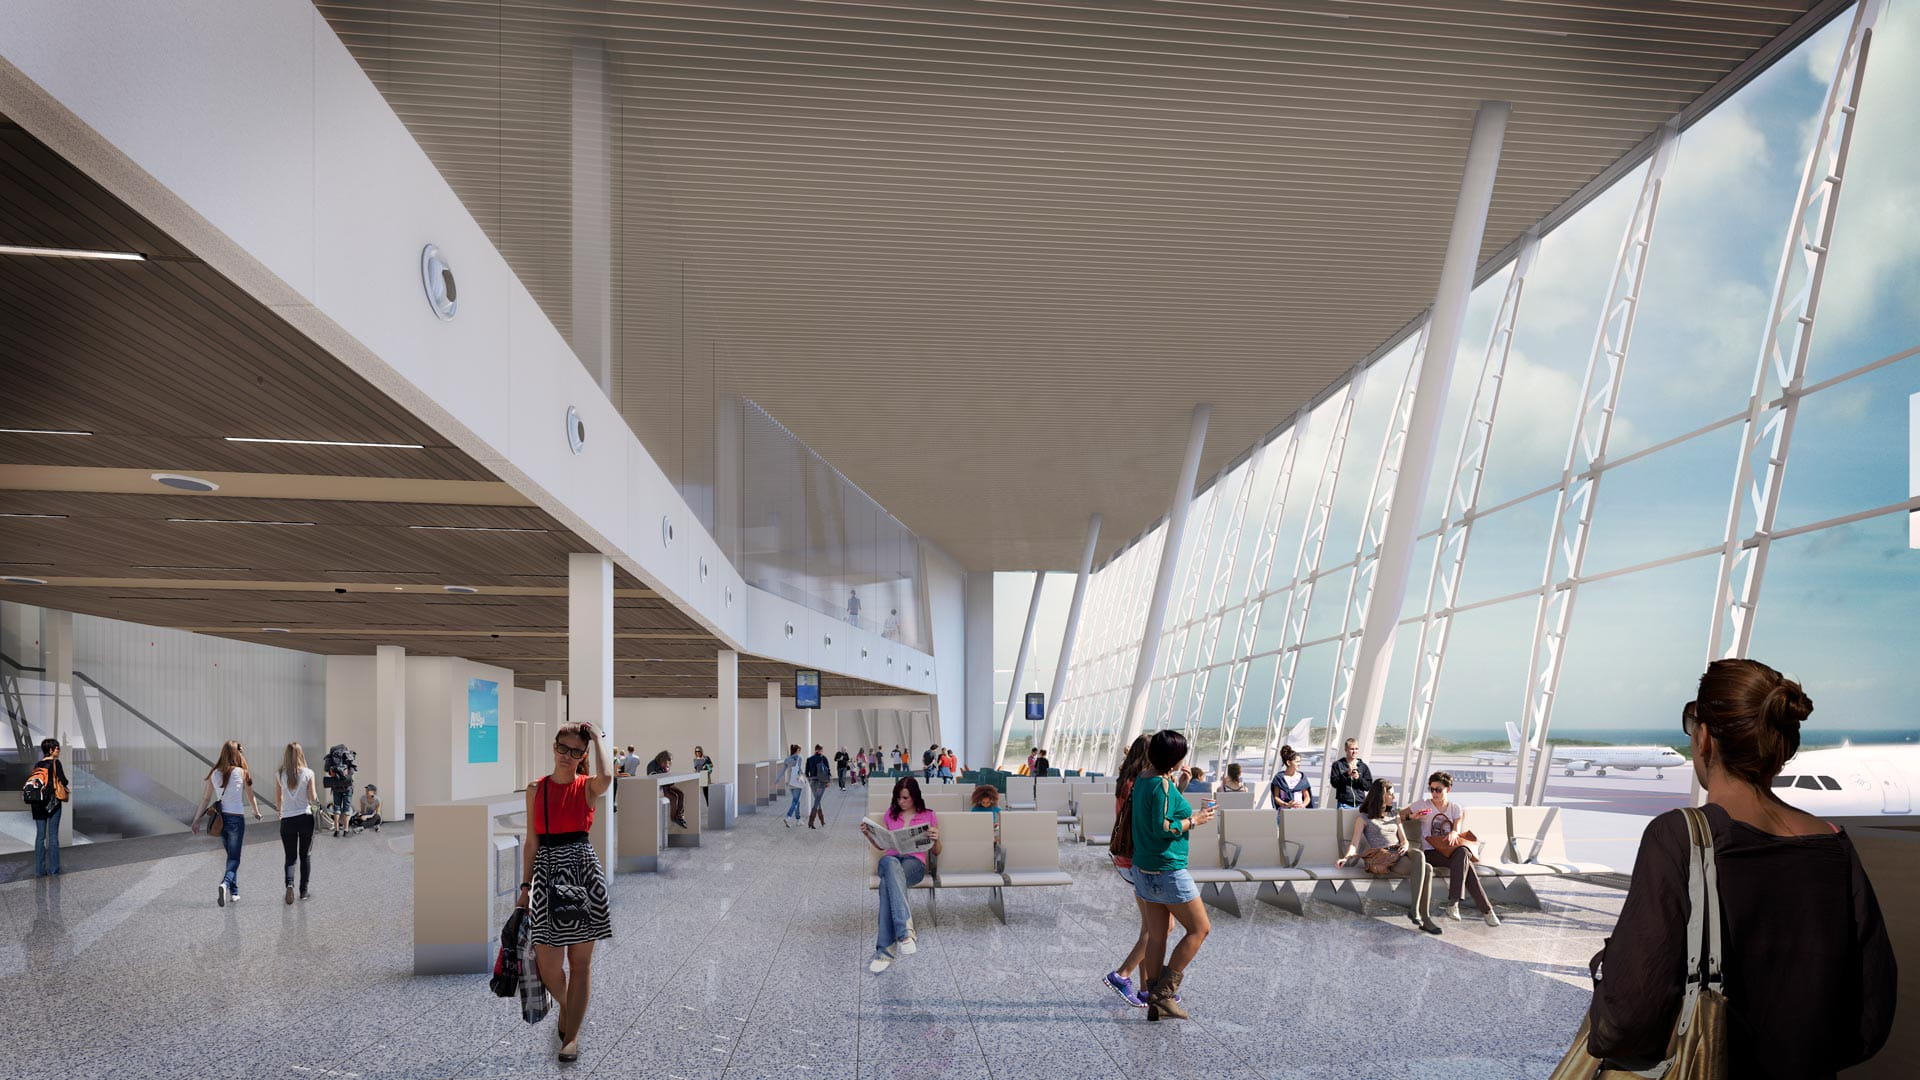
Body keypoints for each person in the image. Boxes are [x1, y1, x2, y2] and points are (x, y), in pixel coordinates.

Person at [1586, 659, 1895, 1077]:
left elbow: (1625, 1021)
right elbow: (1870, 1014)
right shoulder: (1834, 842)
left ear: (1705, 738)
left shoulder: (1678, 836)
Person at [517, 722, 614, 1063]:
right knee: (548, 967)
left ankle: (570, 1037)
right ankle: (569, 1009)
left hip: (582, 871)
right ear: (554, 746)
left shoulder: (588, 787)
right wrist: (525, 886)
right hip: (546, 872)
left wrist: (600, 739)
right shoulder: (536, 789)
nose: (567, 756)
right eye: (563, 748)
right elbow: (531, 841)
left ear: (583, 756)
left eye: (576, 752)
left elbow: (608, 778)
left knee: (580, 963)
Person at [1130, 729, 1214, 1021]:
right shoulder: (1160, 786)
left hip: (1143, 868)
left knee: (1156, 936)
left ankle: (1154, 1001)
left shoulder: (1144, 779)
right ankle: (1164, 994)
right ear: (1174, 757)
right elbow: (1163, 827)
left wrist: (1182, 785)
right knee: (1200, 929)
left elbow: (1159, 806)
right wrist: (1196, 820)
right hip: (1167, 870)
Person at [859, 776, 940, 972]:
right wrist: (869, 834)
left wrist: (937, 839)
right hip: (890, 861)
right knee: (888, 861)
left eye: (905, 798)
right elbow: (881, 846)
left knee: (887, 885)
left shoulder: (928, 815)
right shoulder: (890, 815)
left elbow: (936, 851)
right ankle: (905, 934)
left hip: (914, 864)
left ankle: (884, 952)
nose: (901, 802)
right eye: (898, 798)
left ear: (915, 797)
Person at [1337, 779, 1438, 934]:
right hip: (1384, 857)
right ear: (1382, 796)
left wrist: (1404, 845)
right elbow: (1354, 843)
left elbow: (1403, 839)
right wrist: (1346, 857)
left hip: (1401, 851)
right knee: (1428, 869)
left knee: (1418, 854)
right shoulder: (1363, 818)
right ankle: (1425, 917)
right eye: (1391, 794)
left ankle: (1415, 910)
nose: (1394, 797)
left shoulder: (1394, 815)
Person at [1104, 734, 1160, 1009]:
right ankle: (1122, 974)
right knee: (1161, 926)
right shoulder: (1142, 783)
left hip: (1127, 857)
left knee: (1150, 925)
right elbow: (1153, 822)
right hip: (1142, 858)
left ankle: (1146, 989)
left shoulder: (1126, 780)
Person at [1403, 771, 1497, 926]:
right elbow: (1399, 816)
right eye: (1432, 789)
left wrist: (1454, 832)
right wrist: (1412, 817)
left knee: (1462, 854)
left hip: (1451, 852)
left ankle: (1455, 904)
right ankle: (1485, 910)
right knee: (1465, 859)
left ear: (1448, 790)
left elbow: (1457, 827)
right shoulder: (1422, 805)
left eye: (1438, 789)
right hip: (1430, 853)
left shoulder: (1455, 808)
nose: (1434, 793)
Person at [194, 739, 263, 906]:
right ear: (236, 753)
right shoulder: (242, 772)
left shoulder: (214, 773)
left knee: (230, 857)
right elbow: (250, 795)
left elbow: (205, 798)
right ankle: (225, 883)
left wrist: (196, 820)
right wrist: (256, 811)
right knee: (234, 858)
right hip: (235, 819)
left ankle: (234, 893)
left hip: (220, 819)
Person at [274, 742, 320, 904]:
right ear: (301, 754)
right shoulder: (308, 773)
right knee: (305, 855)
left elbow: (278, 799)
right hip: (305, 818)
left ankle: (290, 885)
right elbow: (312, 797)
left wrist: (281, 812)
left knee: (290, 857)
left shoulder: (280, 774)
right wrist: (317, 804)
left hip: (287, 820)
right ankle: (304, 892)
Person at [28, 737, 69, 877]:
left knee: (40, 836)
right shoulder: (56, 763)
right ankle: (53, 870)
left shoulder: (37, 764)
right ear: (51, 750)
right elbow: (64, 780)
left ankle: (39, 871)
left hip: (37, 804)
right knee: (52, 836)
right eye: (57, 748)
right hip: (52, 803)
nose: (59, 750)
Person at [1269, 745, 1314, 820]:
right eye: (1297, 762)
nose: (1299, 764)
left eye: (1300, 761)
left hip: (1300, 812)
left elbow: (1307, 796)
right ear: (1288, 762)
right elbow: (1276, 797)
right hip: (1284, 812)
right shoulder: (1279, 778)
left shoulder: (1302, 777)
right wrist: (1286, 804)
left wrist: (1303, 805)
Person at [646, 750, 687, 828]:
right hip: (659, 787)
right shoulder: (652, 765)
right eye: (667, 762)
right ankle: (673, 818)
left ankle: (679, 816)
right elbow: (654, 778)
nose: (668, 764)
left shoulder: (664, 764)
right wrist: (666, 773)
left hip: (666, 784)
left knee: (681, 793)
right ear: (662, 759)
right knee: (673, 797)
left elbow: (666, 774)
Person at [1330, 738, 1372, 809]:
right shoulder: (1337, 765)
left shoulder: (1363, 766)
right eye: (1352, 749)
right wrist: (1347, 774)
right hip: (1344, 804)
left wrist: (1358, 778)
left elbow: (1368, 786)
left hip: (1360, 804)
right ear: (1346, 749)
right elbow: (1334, 783)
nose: (1354, 751)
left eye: (1356, 749)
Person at [805, 744, 832, 828]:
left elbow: (806, 772)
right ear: (821, 750)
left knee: (817, 800)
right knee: (817, 800)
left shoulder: (809, 759)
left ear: (815, 749)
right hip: (821, 782)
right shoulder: (823, 758)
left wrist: (810, 780)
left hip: (812, 781)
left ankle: (822, 821)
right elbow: (828, 771)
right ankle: (811, 821)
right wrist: (828, 781)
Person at [781, 744, 806, 828]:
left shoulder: (788, 759)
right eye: (799, 750)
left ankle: (798, 819)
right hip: (797, 783)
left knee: (797, 801)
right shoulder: (799, 758)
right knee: (795, 802)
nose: (800, 752)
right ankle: (788, 817)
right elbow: (800, 770)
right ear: (797, 750)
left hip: (790, 783)